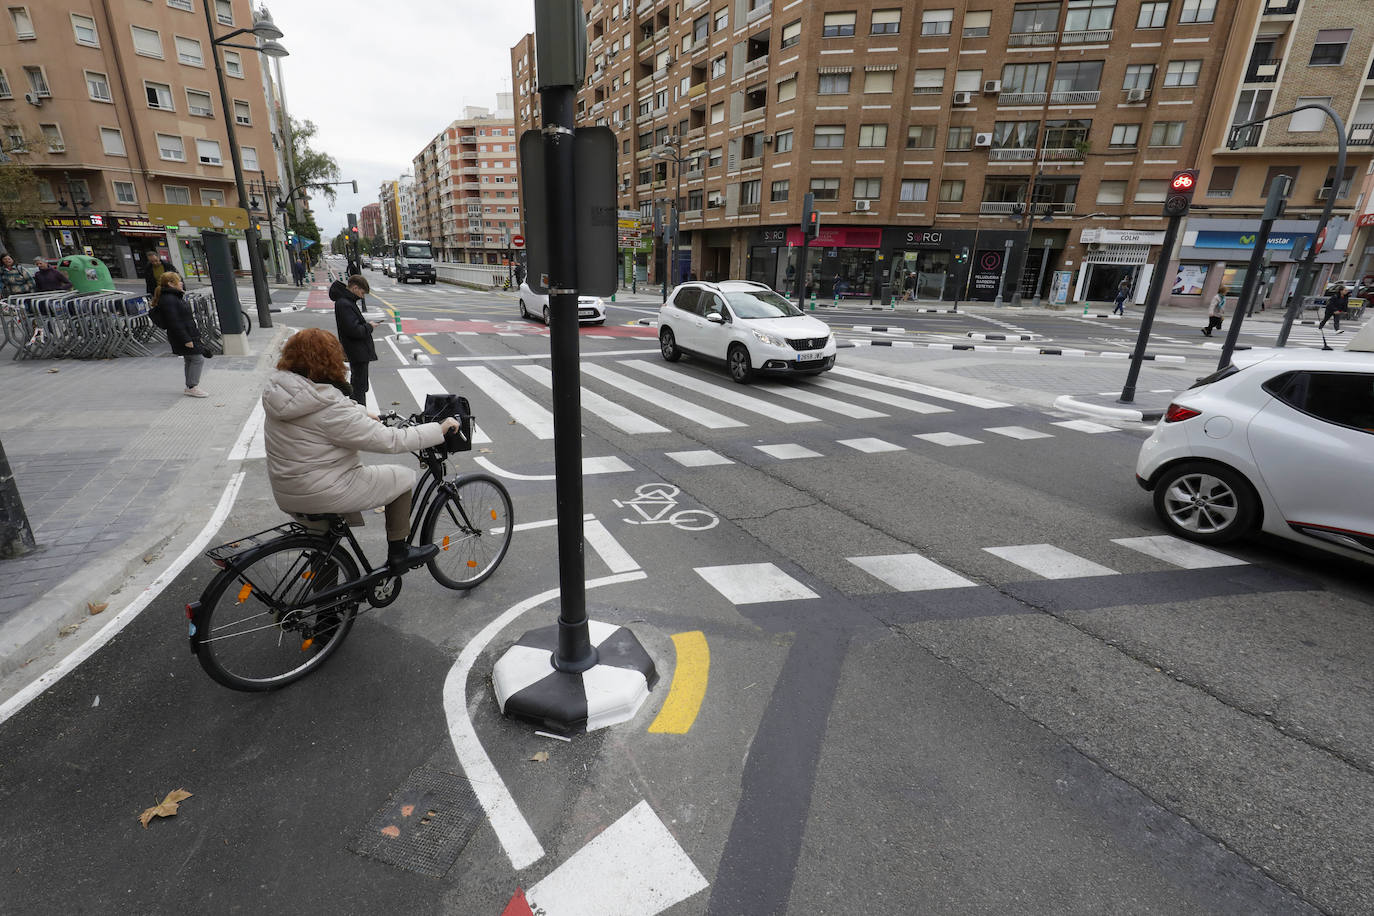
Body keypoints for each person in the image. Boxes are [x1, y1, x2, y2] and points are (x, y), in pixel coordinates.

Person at [261, 328, 462, 569]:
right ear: (330, 361)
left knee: (324, 546)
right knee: (402, 477)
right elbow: (391, 441)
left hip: (290, 489)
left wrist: (361, 411)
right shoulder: (330, 409)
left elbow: (322, 411)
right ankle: (400, 553)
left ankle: (325, 601)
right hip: (322, 489)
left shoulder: (284, 394)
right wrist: (437, 430)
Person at [331, 274, 382, 406]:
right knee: (358, 387)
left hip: (357, 351)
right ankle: (359, 413)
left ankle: (359, 411)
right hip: (357, 352)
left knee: (359, 385)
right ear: (354, 288)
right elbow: (354, 330)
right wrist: (369, 326)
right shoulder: (344, 304)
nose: (362, 296)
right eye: (362, 292)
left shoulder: (346, 302)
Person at [156, 271, 209, 397]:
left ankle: (190, 386)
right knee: (197, 359)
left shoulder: (173, 297)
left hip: (185, 333)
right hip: (183, 335)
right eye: (178, 281)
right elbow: (174, 321)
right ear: (170, 284)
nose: (181, 283)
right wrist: (186, 339)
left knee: (190, 359)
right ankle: (192, 386)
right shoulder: (169, 299)